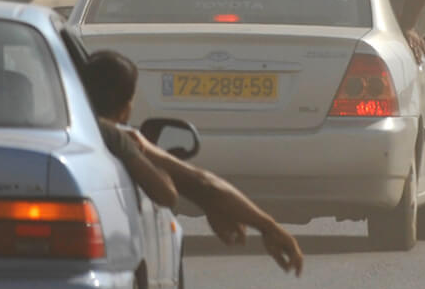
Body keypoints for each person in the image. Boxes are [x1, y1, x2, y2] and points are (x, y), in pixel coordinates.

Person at [79, 51, 304, 277]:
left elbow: (201, 184)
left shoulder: (76, 129)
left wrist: (210, 203)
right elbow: (173, 192)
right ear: (125, 108)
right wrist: (268, 227)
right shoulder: (116, 137)